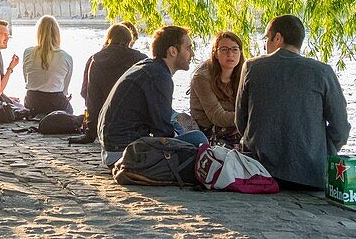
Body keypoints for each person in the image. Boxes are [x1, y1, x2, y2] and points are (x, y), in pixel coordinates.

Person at [236, 14, 350, 189]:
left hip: (259, 171)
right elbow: (340, 127)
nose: (265, 44)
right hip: (310, 174)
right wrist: (317, 148)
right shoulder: (323, 72)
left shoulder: (252, 66)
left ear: (278, 38)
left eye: (266, 38)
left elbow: (240, 120)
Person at [97, 25, 208, 166]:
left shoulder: (149, 67)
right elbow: (162, 130)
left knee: (177, 119)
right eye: (188, 48)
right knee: (198, 138)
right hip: (125, 153)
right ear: (173, 51)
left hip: (113, 148)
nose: (192, 54)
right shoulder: (159, 76)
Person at [79, 22, 148, 141]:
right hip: (134, 126)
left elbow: (92, 99)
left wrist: (90, 132)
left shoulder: (96, 61)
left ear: (109, 39)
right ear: (129, 40)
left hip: (105, 124)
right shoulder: (141, 60)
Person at [188, 31, 244, 146]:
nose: (230, 54)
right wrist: (247, 117)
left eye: (234, 49)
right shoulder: (202, 78)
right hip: (208, 132)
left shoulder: (244, 74)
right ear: (215, 53)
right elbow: (217, 117)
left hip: (234, 126)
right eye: (224, 49)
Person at [21, 16, 74, 116]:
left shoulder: (27, 52)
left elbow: (27, 79)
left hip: (32, 102)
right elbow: (64, 89)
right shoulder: (66, 57)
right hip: (55, 103)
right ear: (57, 34)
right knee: (70, 111)